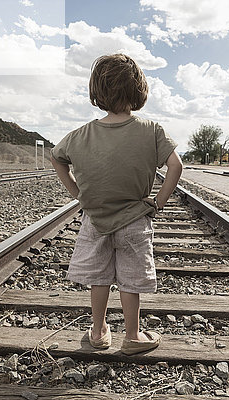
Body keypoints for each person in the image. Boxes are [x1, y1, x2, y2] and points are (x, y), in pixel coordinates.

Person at [50, 53, 182, 355]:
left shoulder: (81, 134)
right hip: (135, 220)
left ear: (97, 92)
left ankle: (98, 332)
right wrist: (157, 204)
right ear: (139, 90)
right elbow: (176, 167)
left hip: (95, 219)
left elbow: (56, 158)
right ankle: (133, 335)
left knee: (99, 277)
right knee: (130, 278)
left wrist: (78, 194)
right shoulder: (152, 130)